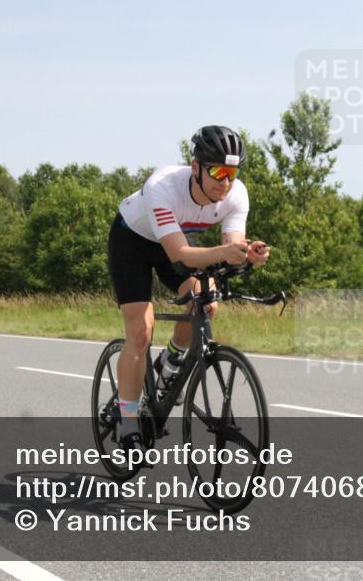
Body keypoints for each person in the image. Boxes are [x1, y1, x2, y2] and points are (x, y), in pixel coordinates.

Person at [106, 125, 270, 453]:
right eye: (218, 172)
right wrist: (226, 252)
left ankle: (170, 363)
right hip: (133, 243)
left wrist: (246, 254)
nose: (225, 182)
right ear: (196, 167)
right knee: (141, 332)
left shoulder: (237, 195)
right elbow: (180, 255)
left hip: (176, 238)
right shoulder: (163, 186)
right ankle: (128, 422)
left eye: (232, 173)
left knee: (206, 303)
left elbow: (231, 246)